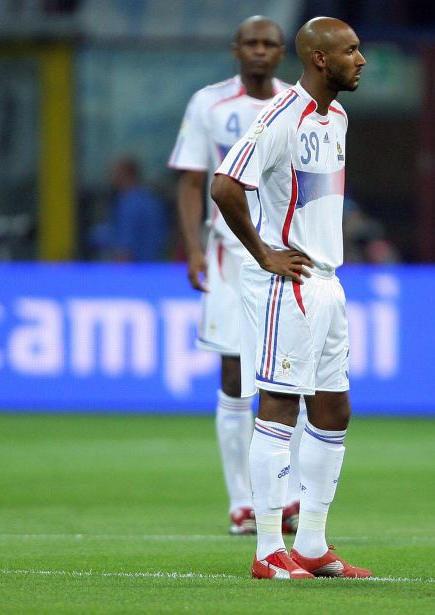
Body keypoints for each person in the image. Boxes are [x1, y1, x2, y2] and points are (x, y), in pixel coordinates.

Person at [211, 16, 370, 579]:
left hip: (329, 281)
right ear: (320, 59)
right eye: (351, 51)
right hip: (292, 285)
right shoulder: (279, 117)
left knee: (333, 409)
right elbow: (225, 184)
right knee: (278, 405)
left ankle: (312, 545)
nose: (361, 59)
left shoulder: (339, 116)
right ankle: (267, 552)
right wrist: (264, 255)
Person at [168, 16, 304, 536]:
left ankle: (286, 497)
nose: (260, 51)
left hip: (282, 252)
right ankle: (242, 501)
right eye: (252, 42)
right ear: (236, 49)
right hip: (228, 253)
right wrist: (194, 249)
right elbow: (189, 180)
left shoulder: (294, 104)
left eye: (270, 44)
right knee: (233, 377)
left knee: (286, 372)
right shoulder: (209, 104)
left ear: (281, 52)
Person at [107, 157, 169, 261]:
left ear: (124, 175)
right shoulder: (152, 199)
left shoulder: (128, 203)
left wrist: (118, 274)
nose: (111, 179)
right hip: (155, 266)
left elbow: (124, 249)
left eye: (115, 174)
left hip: (135, 269)